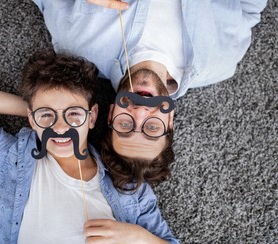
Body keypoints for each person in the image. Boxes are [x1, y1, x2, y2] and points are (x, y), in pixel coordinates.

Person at [0, 49, 181, 244]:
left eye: (74, 114)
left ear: (93, 116)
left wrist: (138, 236)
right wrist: (36, 115)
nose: (60, 127)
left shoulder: (128, 187)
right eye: (47, 116)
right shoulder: (14, 157)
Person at [31, 0, 267, 188]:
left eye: (125, 124)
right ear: (170, 122)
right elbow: (250, 7)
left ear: (112, 114)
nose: (141, 111)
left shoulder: (76, 45)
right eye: (152, 128)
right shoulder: (220, 62)